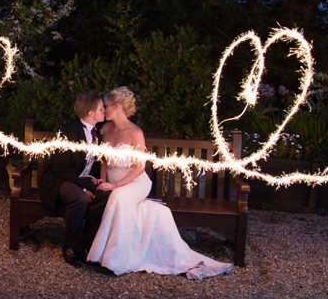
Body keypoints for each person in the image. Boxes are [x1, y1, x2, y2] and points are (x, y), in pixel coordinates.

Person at [86, 87, 233, 280]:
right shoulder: (105, 129)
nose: (103, 110)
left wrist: (116, 186)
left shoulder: (135, 132)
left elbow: (139, 167)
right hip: (113, 182)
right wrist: (104, 181)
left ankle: (115, 261)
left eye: (106, 106)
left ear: (117, 106)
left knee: (118, 197)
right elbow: (104, 161)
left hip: (135, 182)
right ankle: (97, 254)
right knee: (115, 197)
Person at [39, 90, 111, 268]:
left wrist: (94, 179)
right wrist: (83, 188)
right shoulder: (68, 131)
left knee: (104, 194)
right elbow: (60, 167)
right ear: (90, 113)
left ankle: (88, 244)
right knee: (79, 197)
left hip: (80, 178)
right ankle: (71, 247)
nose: (105, 110)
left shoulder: (96, 131)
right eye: (102, 108)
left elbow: (88, 161)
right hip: (59, 180)